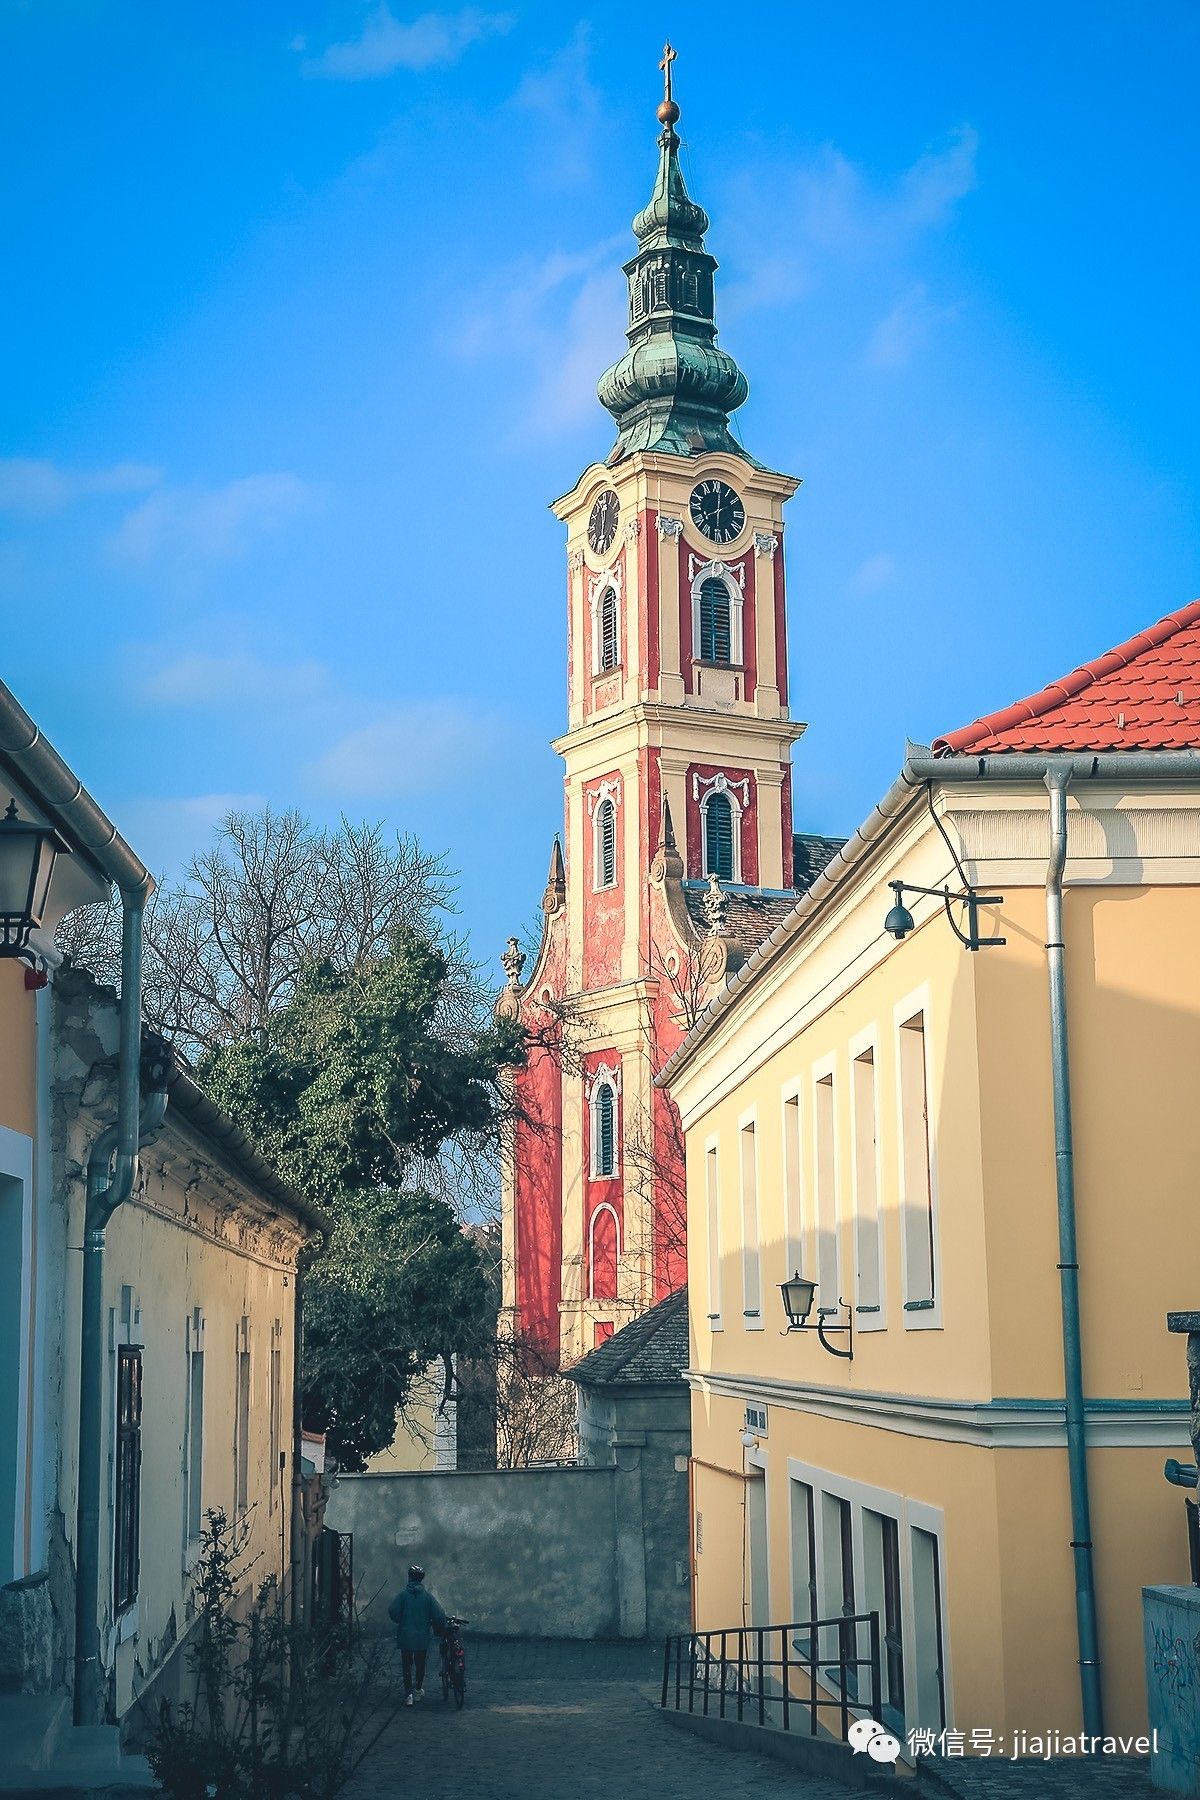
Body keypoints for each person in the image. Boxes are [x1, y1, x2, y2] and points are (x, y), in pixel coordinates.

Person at [388, 1564, 447, 1705]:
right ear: (422, 1579)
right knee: (420, 1664)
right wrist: (434, 1622)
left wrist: (400, 1620)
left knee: (407, 1664)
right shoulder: (428, 1597)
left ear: (409, 1577)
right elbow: (439, 1615)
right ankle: (418, 1691)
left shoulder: (402, 1596)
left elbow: (392, 1611)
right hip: (422, 1637)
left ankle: (408, 1695)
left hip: (406, 1635)